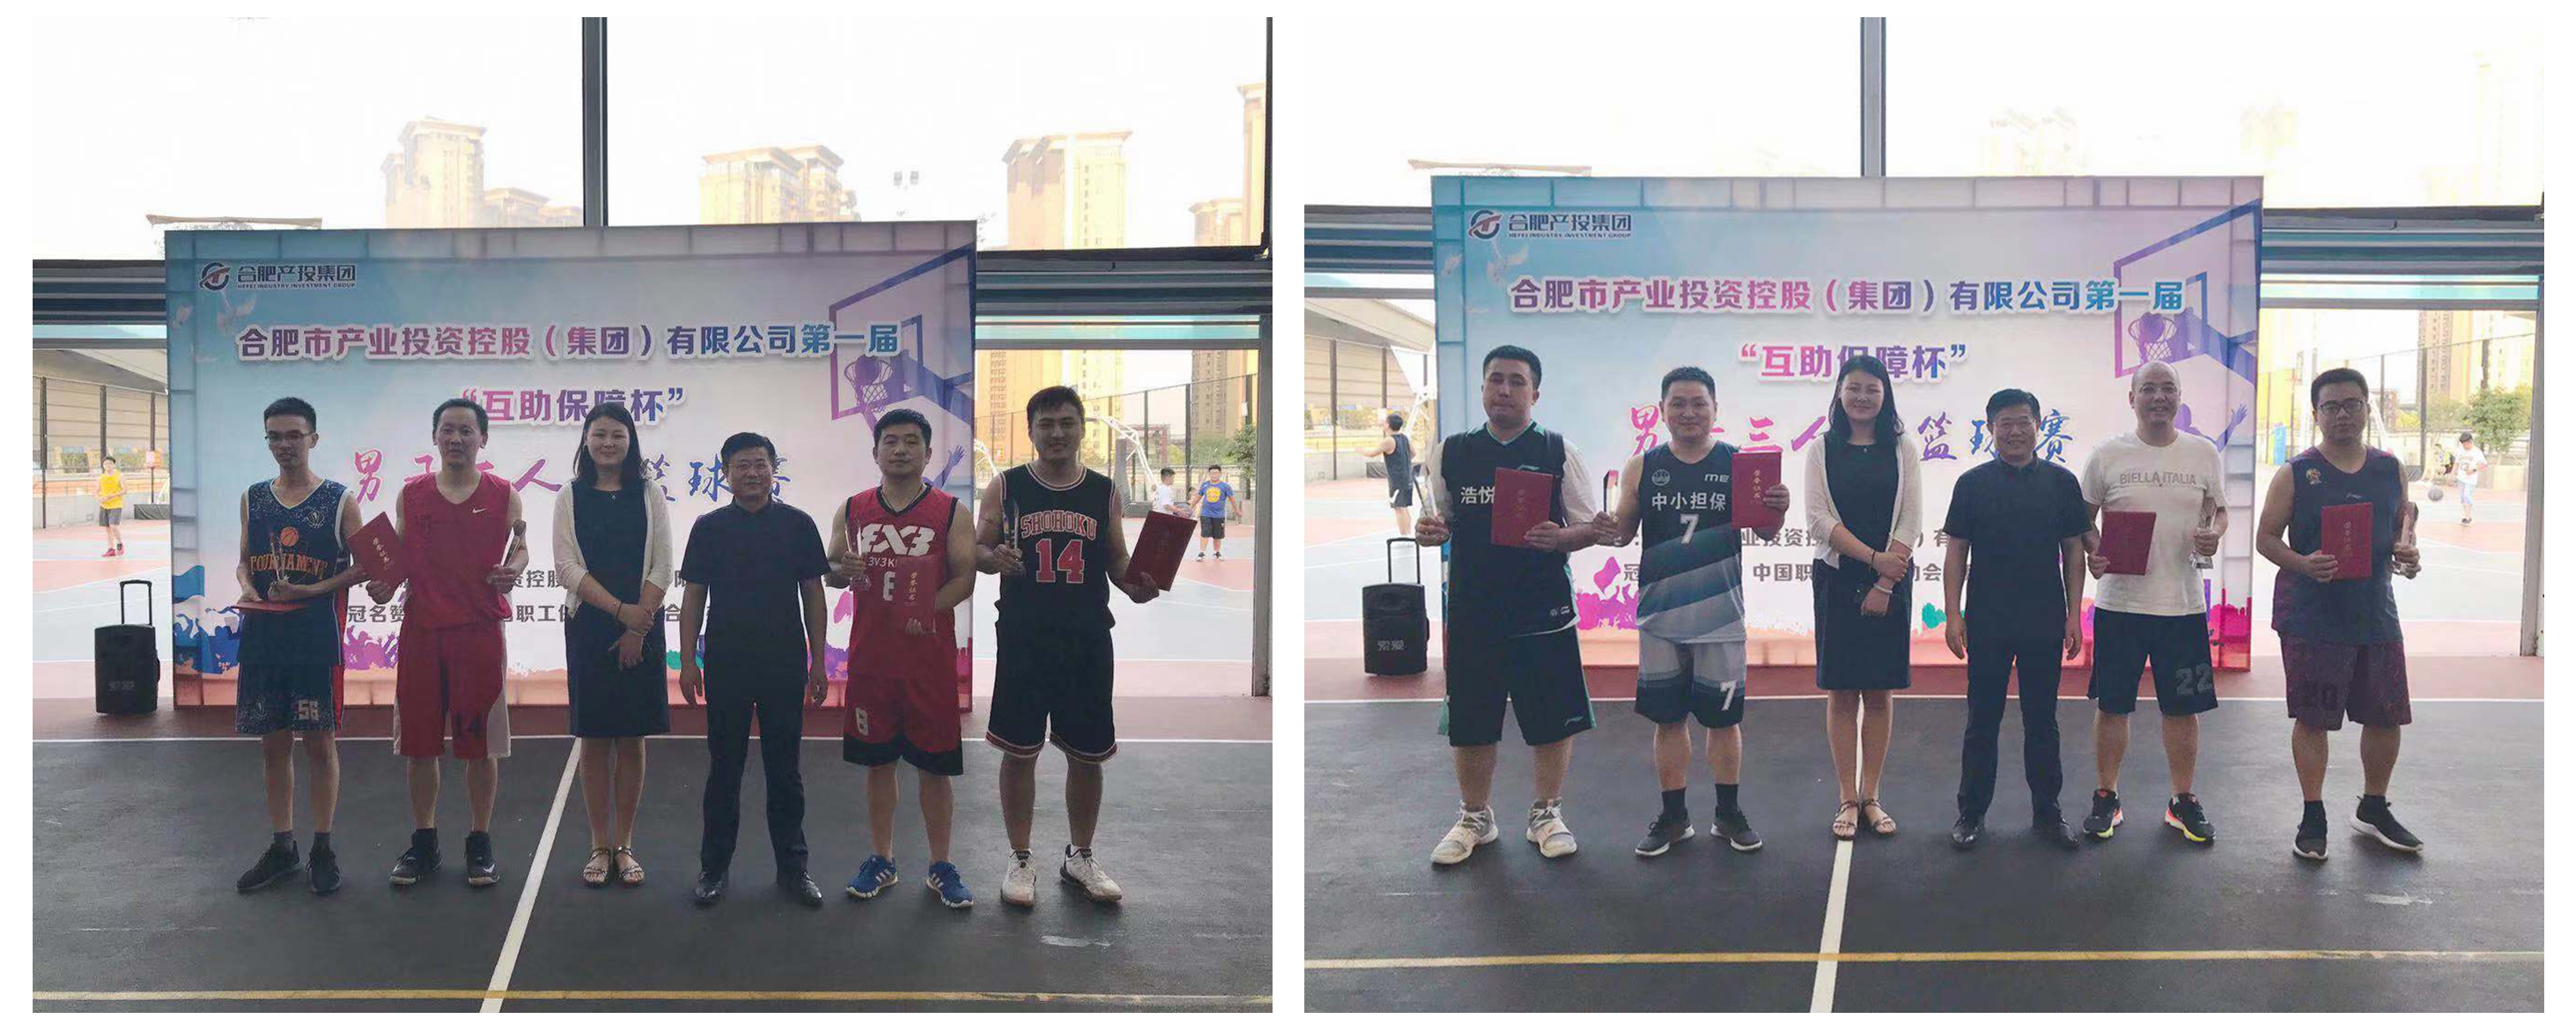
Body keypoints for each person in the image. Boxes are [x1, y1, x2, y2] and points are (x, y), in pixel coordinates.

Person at [1416, 345, 1607, 863]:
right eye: (1495, 379)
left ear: (1535, 393)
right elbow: (1439, 521)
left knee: (1552, 718)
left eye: (1516, 381)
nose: (1504, 390)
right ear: (1482, 388)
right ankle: (1475, 817)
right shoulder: (1452, 452)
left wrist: (1562, 538)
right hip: (1473, 609)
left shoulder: (1558, 450)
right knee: (1471, 719)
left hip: (1543, 610)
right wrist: (1429, 533)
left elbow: (1589, 526)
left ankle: (1546, 812)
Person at [975, 386, 1163, 907]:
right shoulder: (1006, 486)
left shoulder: (1103, 491)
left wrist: (1138, 586)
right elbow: (977, 549)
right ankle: (1020, 858)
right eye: (1046, 424)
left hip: (1086, 638)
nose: (1056, 433)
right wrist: (995, 559)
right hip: (1024, 636)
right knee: (1019, 752)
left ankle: (1080, 855)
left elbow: (1117, 560)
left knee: (1087, 755)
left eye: (1066, 423)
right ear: (1031, 431)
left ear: (1082, 429)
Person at [1602, 367, 1788, 857]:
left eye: (1698, 403)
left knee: (1723, 723)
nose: (1688, 412)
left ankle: (1727, 814)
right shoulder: (1642, 466)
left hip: (1721, 617)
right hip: (1660, 618)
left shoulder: (1739, 463)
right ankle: (1674, 817)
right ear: (1662, 410)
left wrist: (1779, 508)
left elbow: (1768, 531)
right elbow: (1622, 533)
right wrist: (1601, 525)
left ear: (1715, 409)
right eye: (1678, 403)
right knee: (1668, 721)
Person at [2257, 369, 2425, 862]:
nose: (2343, 414)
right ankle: (2313, 814)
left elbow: (2401, 531)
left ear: (2368, 409)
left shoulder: (2389, 469)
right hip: (2313, 618)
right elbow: (2266, 539)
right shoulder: (2296, 472)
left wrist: (2407, 555)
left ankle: (2373, 807)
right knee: (2313, 719)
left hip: (2375, 613)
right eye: (2331, 407)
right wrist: (2302, 563)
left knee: (2386, 716)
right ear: (2317, 415)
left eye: (2353, 404)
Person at [368, 397, 526, 888]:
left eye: (466, 430)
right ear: (434, 437)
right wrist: (384, 584)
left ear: (483, 438)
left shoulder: (504, 494)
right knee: (419, 746)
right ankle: (424, 841)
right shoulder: (412, 494)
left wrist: (513, 571)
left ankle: (480, 840)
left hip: (479, 632)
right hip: (422, 633)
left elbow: (520, 548)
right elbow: (396, 555)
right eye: (448, 430)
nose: (456, 438)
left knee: (481, 748)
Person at [829, 409, 980, 909]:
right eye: (890, 441)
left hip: (928, 663)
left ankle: (941, 864)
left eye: (911, 441)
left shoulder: (951, 510)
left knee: (935, 768)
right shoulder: (852, 508)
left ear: (928, 453)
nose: (899, 449)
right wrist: (843, 569)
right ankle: (882, 858)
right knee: (878, 763)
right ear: (875, 452)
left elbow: (965, 577)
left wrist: (927, 608)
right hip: (872, 659)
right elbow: (831, 569)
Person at [677, 432, 833, 907]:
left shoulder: (798, 524)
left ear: (773, 470)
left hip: (784, 663)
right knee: (724, 770)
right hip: (727, 663)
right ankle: (713, 869)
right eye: (742, 465)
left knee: (785, 770)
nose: (752, 473)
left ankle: (793, 869)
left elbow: (813, 594)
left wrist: (819, 661)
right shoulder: (709, 528)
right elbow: (694, 596)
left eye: (760, 464)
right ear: (726, 473)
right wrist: (688, 660)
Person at [2078, 360, 2226, 844]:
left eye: (2168, 389)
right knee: (2112, 705)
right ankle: (2107, 795)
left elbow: (2219, 512)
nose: (2158, 397)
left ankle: (2182, 800)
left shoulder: (2203, 452)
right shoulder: (2107, 455)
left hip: (2182, 606)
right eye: (2148, 389)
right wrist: (2095, 548)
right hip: (2120, 604)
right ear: (2132, 398)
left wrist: (2214, 534)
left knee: (2182, 709)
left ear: (2179, 398)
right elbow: (2083, 520)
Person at [1940, 389, 2088, 851]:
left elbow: (2074, 551)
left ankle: (2048, 813)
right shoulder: (1972, 484)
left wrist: (2074, 615)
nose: (2015, 431)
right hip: (1987, 619)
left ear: (2039, 426)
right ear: (1991, 429)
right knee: (1982, 720)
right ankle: (1971, 814)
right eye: (2005, 423)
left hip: (2044, 617)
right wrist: (1953, 615)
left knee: (2042, 720)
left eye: (2024, 422)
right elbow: (1957, 552)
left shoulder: (2062, 483)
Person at [231, 397, 369, 895]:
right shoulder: (253, 497)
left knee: (318, 743)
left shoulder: (339, 499)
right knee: (272, 744)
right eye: (275, 436)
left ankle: (322, 848)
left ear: (313, 438)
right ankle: (283, 846)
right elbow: (244, 561)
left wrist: (310, 591)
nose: (284, 445)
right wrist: (247, 586)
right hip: (264, 637)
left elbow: (366, 565)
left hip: (314, 639)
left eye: (293, 435)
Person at [550, 403, 672, 888]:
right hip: (591, 627)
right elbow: (567, 569)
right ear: (585, 440)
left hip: (643, 624)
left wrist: (637, 628)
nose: (608, 443)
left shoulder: (649, 492)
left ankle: (624, 845)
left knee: (632, 738)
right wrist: (622, 614)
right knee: (596, 739)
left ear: (630, 441)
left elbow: (663, 565)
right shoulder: (569, 495)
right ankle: (599, 844)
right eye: (599, 434)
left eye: (617, 435)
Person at [1804, 354, 1923, 840]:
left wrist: (1884, 581)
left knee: (1878, 692)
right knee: (1841, 692)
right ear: (1839, 392)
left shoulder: (1902, 447)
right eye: (1853, 388)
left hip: (1891, 581)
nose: (1862, 397)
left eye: (1872, 389)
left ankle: (1871, 796)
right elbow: (1818, 519)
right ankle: (1846, 799)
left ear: (1885, 394)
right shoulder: (1821, 448)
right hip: (1838, 577)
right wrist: (1874, 561)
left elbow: (1911, 519)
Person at [1359, 411, 1419, 536]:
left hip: (1397, 479)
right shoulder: (1405, 438)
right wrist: (1403, 461)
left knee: (1399, 508)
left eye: (1385, 422)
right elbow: (1414, 453)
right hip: (1407, 477)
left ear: (1388, 425)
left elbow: (1372, 453)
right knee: (1404, 507)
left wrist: (1361, 450)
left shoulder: (1389, 441)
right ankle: (1408, 534)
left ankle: (1404, 536)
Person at [1194, 464, 1239, 560]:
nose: (1214, 475)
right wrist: (1190, 507)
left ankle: (1216, 552)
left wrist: (1237, 510)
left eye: (1216, 473)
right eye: (1212, 473)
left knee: (1217, 535)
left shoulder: (1225, 486)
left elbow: (1232, 499)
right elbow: (1198, 497)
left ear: (1220, 474)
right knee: (1205, 533)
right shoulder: (1205, 485)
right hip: (1206, 514)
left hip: (1219, 515)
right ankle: (1202, 553)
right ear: (1209, 474)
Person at [2451, 431, 2487, 526]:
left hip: (2471, 479)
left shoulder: (2477, 452)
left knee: (2467, 495)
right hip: (2461, 478)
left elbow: (2483, 464)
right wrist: (2452, 474)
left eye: (2465, 444)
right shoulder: (2460, 451)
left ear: (2470, 442)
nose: (2464, 446)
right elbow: (2457, 463)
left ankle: (2467, 517)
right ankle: (2467, 515)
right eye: (2462, 444)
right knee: (2463, 497)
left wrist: (2474, 469)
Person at [98, 456, 126, 557]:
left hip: (116, 504)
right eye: (106, 464)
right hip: (104, 505)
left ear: (114, 465)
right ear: (103, 465)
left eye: (110, 463)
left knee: (113, 526)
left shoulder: (120, 476)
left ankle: (120, 543)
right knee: (108, 529)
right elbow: (96, 491)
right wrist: (99, 498)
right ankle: (111, 549)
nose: (108, 465)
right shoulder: (101, 477)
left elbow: (124, 490)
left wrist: (112, 496)